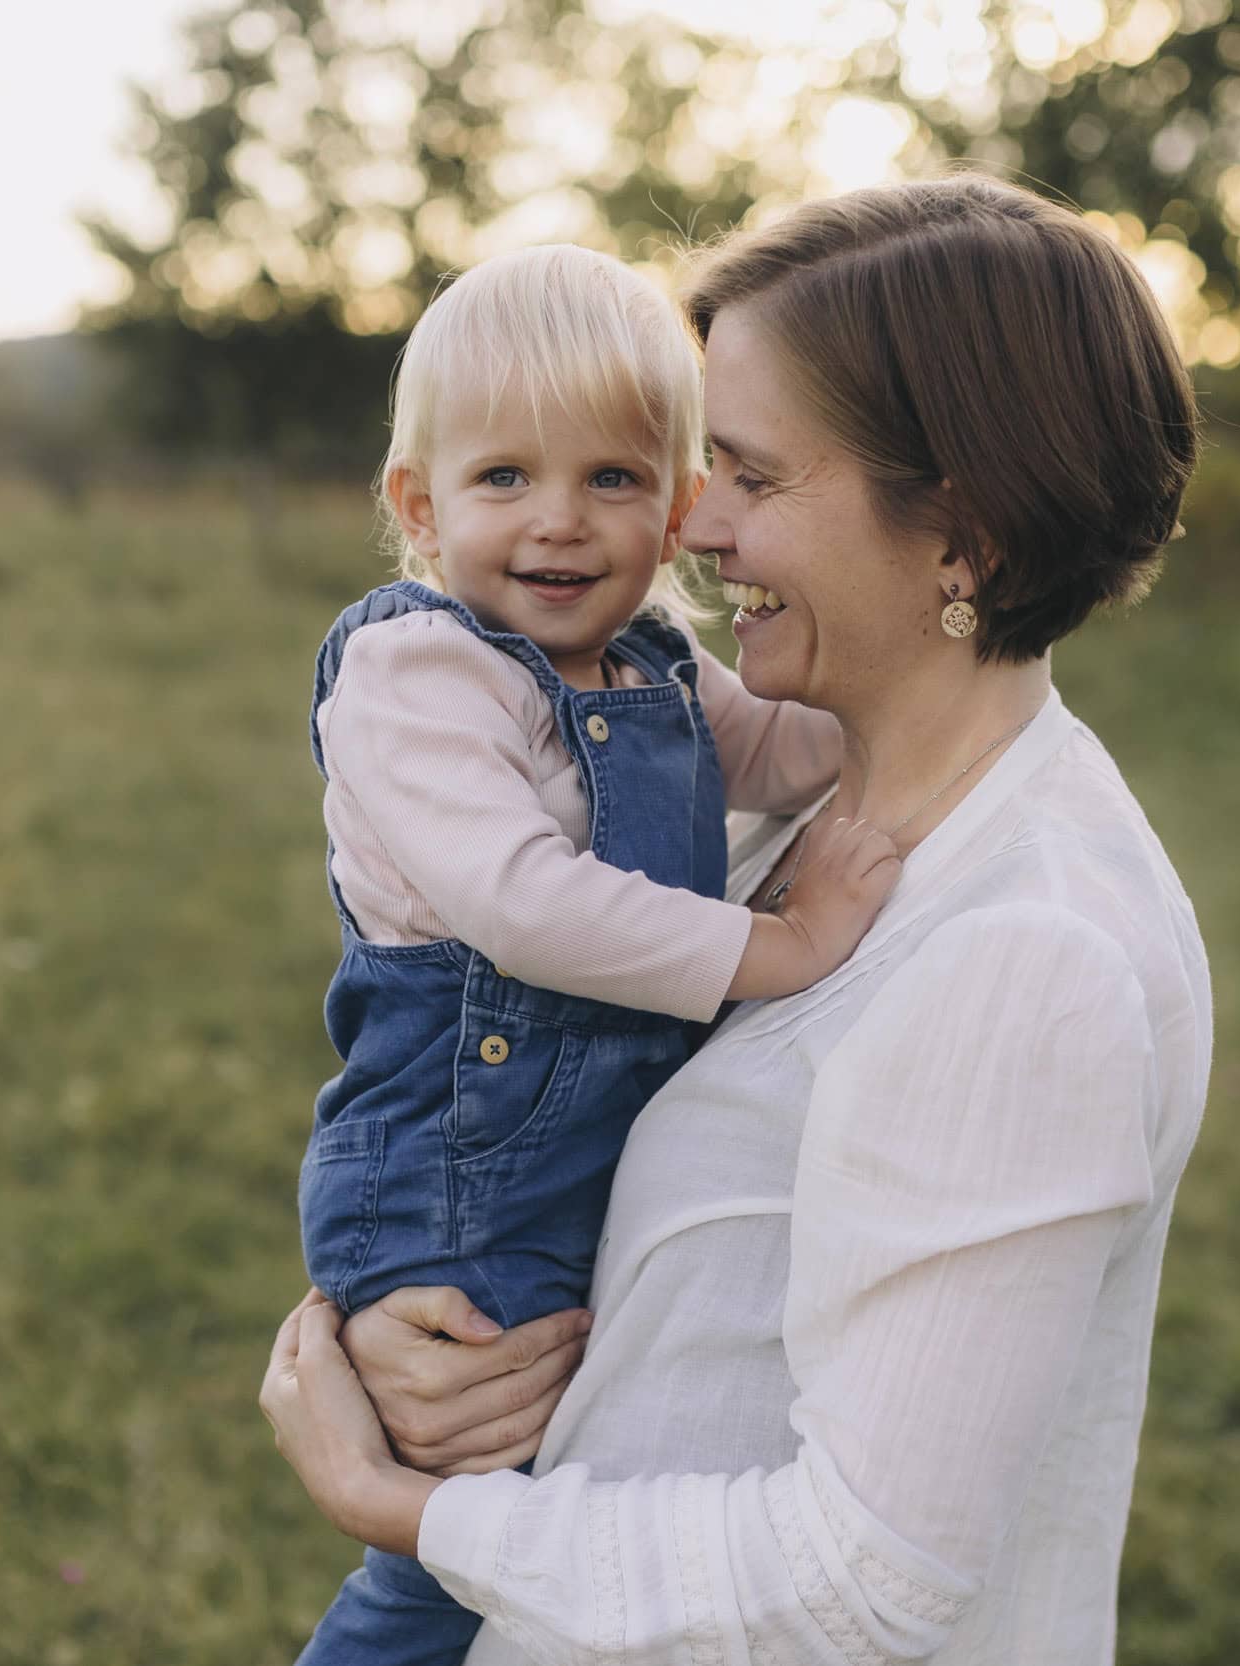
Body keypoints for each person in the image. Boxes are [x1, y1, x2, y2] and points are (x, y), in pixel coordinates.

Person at [262, 176, 1212, 1663]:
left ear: (960, 536)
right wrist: (406, 1335)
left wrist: (410, 1505)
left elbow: (866, 1582)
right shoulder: (765, 791)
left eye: (750, 480)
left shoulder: (1032, 957)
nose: (686, 521)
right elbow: (534, 1102)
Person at [295, 243, 901, 1664]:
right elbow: (527, 904)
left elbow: (790, 743)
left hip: (565, 1159)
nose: (559, 524)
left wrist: (903, 683)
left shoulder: (655, 666)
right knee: (454, 1543)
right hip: (458, 1168)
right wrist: (782, 939)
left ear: (680, 503)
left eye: (612, 480)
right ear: (419, 504)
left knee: (577, 1481)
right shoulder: (417, 676)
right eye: (504, 478)